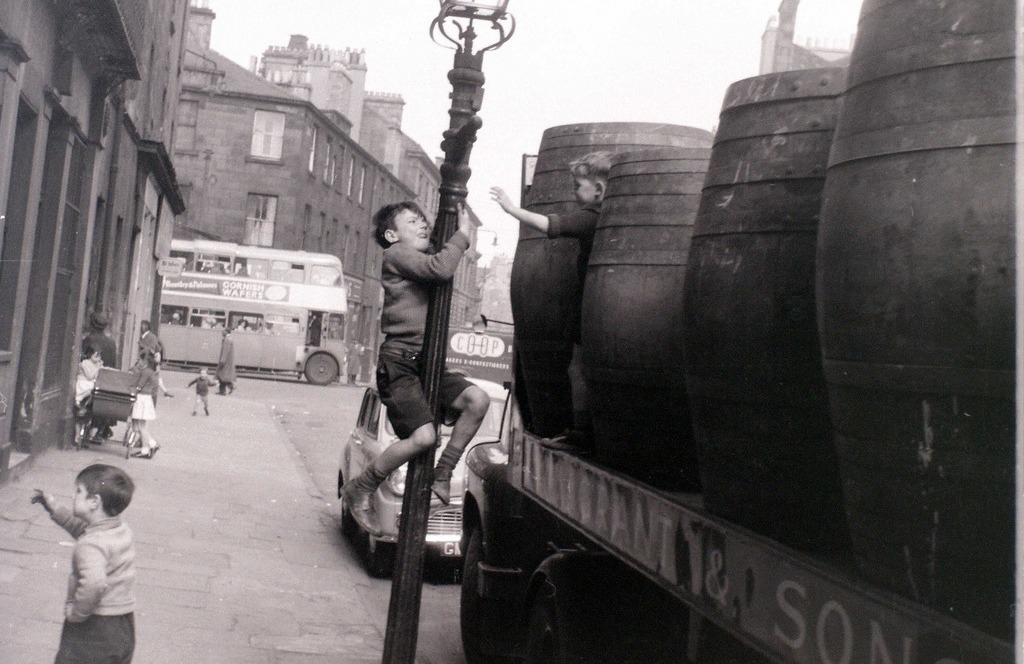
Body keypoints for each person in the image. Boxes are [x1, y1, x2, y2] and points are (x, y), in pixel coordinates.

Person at [342, 201, 490, 518]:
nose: (421, 225)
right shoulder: (396, 255)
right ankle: (362, 486)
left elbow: (438, 264)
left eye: (423, 220)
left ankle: (444, 472)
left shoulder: (417, 256)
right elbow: (441, 268)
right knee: (424, 437)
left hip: (427, 362)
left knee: (478, 400)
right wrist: (462, 234)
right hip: (400, 363)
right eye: (412, 222)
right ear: (392, 235)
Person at [490, 150, 612, 452]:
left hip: (591, 308)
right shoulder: (608, 217)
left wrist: (510, 209)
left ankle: (581, 432)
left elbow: (550, 225)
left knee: (578, 368)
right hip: (603, 307)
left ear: (597, 190)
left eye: (578, 186)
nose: (574, 192)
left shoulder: (592, 217)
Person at [31, 464, 137, 664]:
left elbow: (94, 583)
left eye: (78, 491)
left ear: (94, 502)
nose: (73, 495)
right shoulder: (119, 530)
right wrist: (56, 509)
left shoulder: (90, 545)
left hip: (94, 626)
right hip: (123, 624)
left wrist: (77, 614)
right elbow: (83, 530)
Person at [82, 312, 118, 438]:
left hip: (91, 379)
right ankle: (103, 427)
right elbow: (113, 364)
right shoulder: (111, 343)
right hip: (106, 381)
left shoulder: (88, 340)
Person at [128, 352, 160, 459]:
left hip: (142, 398)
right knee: (141, 426)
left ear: (145, 361)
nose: (139, 362)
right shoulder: (151, 372)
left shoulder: (145, 372)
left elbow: (139, 385)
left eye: (140, 360)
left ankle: (151, 445)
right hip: (147, 399)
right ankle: (147, 447)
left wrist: (133, 392)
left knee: (141, 427)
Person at [138, 320, 173, 399]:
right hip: (147, 362)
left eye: (142, 325)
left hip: (149, 363)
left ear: (146, 327)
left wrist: (157, 364)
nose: (141, 327)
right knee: (155, 379)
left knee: (153, 379)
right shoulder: (143, 336)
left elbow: (153, 350)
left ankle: (162, 392)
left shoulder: (151, 337)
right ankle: (165, 391)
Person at [75, 345, 103, 413]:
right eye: (96, 356)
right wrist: (98, 368)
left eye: (99, 356)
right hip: (84, 382)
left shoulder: (97, 364)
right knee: (94, 388)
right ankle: (79, 399)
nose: (98, 358)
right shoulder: (85, 363)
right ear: (90, 355)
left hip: (91, 382)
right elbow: (90, 376)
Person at [216, 327, 237, 395]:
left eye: (223, 331)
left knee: (221, 375)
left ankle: (224, 390)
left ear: (227, 332)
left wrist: (222, 360)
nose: (222, 332)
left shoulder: (227, 340)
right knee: (223, 376)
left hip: (225, 361)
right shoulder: (229, 339)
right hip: (228, 361)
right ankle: (229, 387)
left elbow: (225, 351)